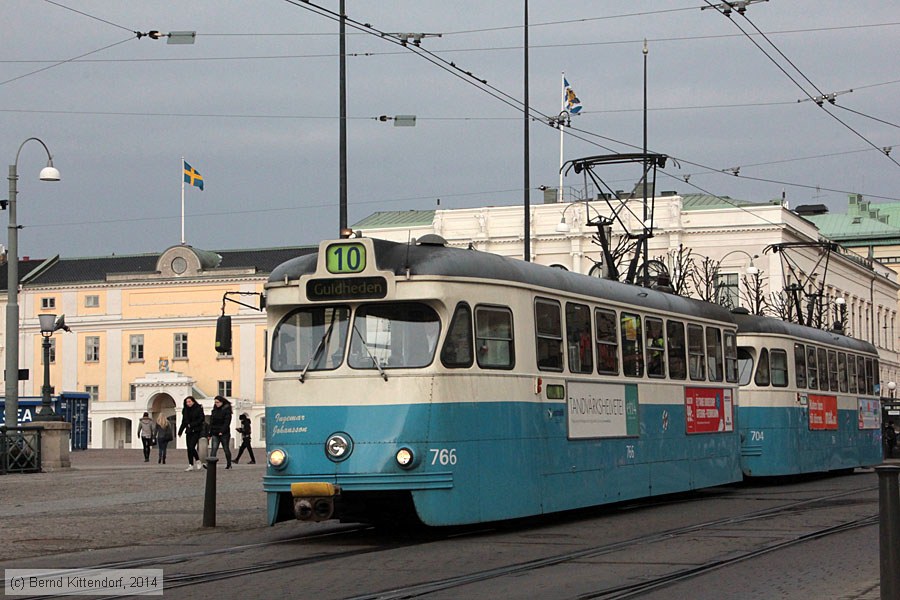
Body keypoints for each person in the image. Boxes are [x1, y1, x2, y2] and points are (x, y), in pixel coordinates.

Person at [177, 396, 205, 471]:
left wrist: (192, 424)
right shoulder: (185, 410)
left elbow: (201, 419)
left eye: (189, 401)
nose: (188, 403)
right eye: (187, 402)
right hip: (189, 431)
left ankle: (198, 460)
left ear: (193, 401)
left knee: (192, 446)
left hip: (196, 430)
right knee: (189, 448)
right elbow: (184, 421)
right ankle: (191, 464)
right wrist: (180, 431)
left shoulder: (198, 408)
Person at [209, 395, 233, 469]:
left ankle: (229, 463)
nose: (216, 404)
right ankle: (211, 464)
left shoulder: (227, 410)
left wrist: (222, 431)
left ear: (222, 402)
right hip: (215, 432)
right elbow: (211, 422)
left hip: (224, 433)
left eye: (218, 402)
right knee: (214, 448)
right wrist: (210, 433)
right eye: (215, 402)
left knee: (226, 448)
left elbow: (227, 422)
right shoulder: (214, 410)